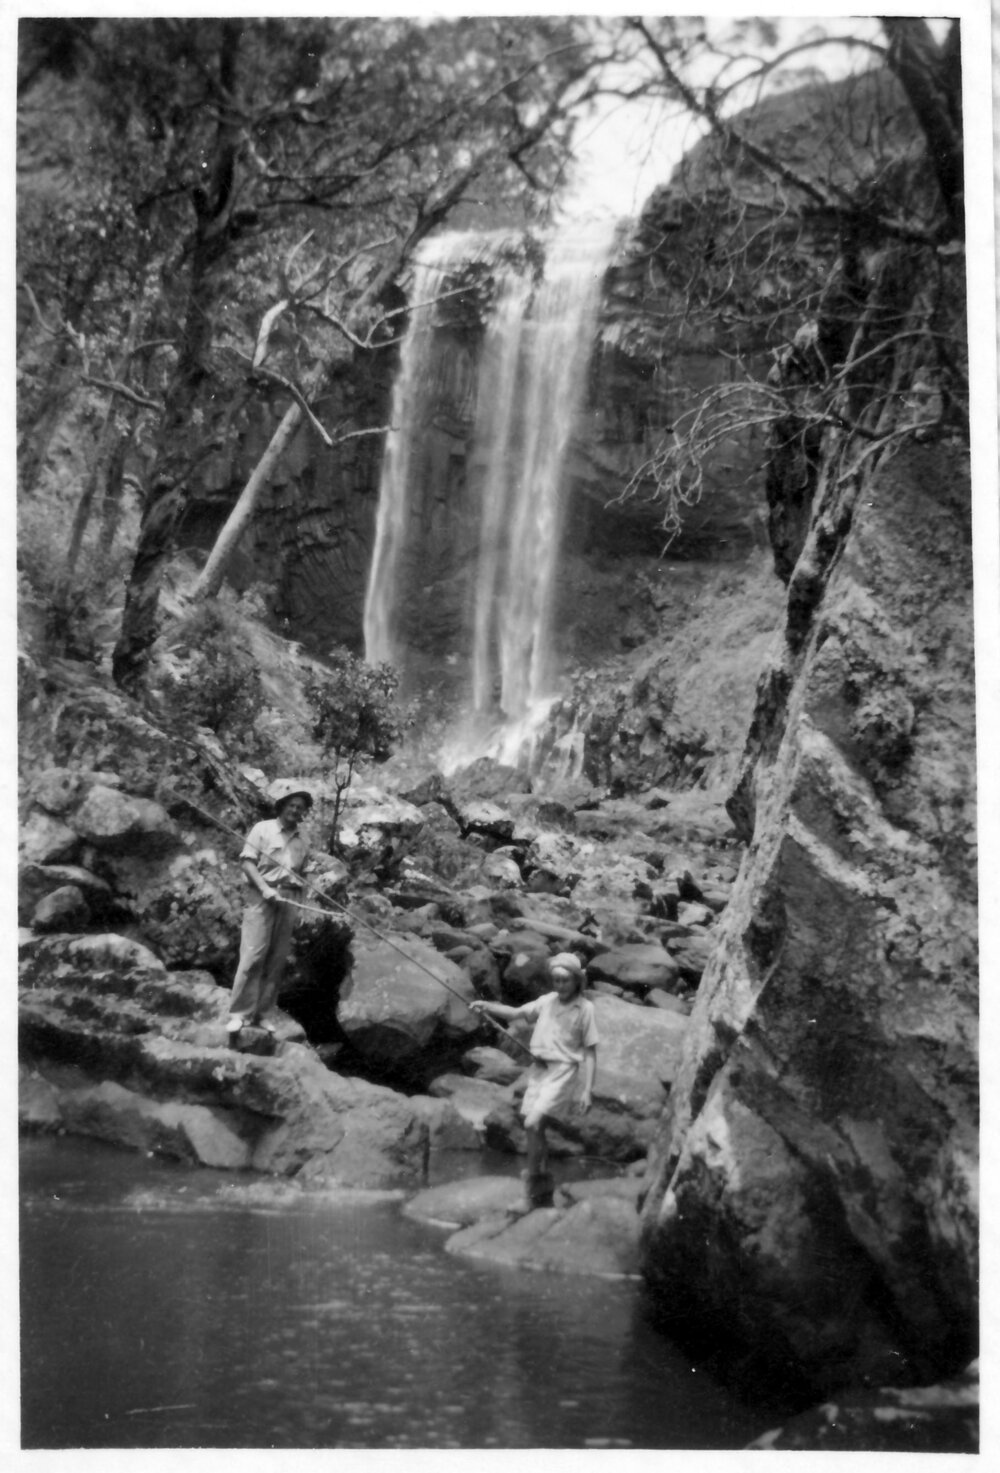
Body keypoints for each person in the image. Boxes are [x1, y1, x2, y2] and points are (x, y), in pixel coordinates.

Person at [470, 952, 597, 1209]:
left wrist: (587, 1090)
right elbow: (516, 1012)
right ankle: (543, 1182)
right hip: (539, 1069)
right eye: (556, 980)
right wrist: (487, 1006)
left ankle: (531, 1186)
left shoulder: (585, 1009)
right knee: (535, 1128)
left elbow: (591, 1051)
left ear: (577, 981)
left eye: (565, 980)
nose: (560, 985)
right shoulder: (547, 1001)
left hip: (562, 1071)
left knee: (532, 1122)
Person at [225, 779, 313, 1041]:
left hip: (289, 899)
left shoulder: (304, 839)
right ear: (282, 806)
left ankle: (263, 1014)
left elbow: (305, 873)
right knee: (253, 955)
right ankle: (240, 1014)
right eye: (292, 805)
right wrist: (265, 889)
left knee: (276, 960)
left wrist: (303, 902)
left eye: (300, 807)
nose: (295, 810)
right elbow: (247, 863)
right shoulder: (262, 829)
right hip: (261, 896)